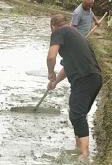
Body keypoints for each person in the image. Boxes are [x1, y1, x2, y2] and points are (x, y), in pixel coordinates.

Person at [47, 14, 102, 160]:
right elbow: (67, 66)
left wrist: (50, 72)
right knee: (78, 114)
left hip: (85, 79)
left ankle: (84, 154)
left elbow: (51, 57)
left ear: (53, 26)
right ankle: (79, 147)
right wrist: (55, 81)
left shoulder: (58, 32)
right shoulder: (75, 34)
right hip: (95, 79)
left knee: (77, 114)